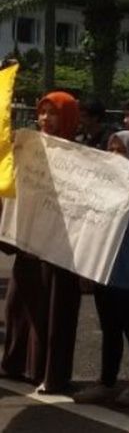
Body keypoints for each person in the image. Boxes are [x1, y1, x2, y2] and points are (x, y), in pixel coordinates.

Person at [1, 91, 82, 394]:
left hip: (61, 250)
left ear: (69, 117)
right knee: (18, 307)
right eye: (42, 112)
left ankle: (49, 373)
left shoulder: (80, 156)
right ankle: (15, 364)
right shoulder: (29, 147)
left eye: (54, 113)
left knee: (55, 313)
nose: (46, 119)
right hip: (28, 242)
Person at [73, 131, 129, 406]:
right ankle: (106, 381)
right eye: (110, 149)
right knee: (110, 329)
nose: (114, 156)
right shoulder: (102, 189)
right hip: (105, 271)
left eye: (121, 151)